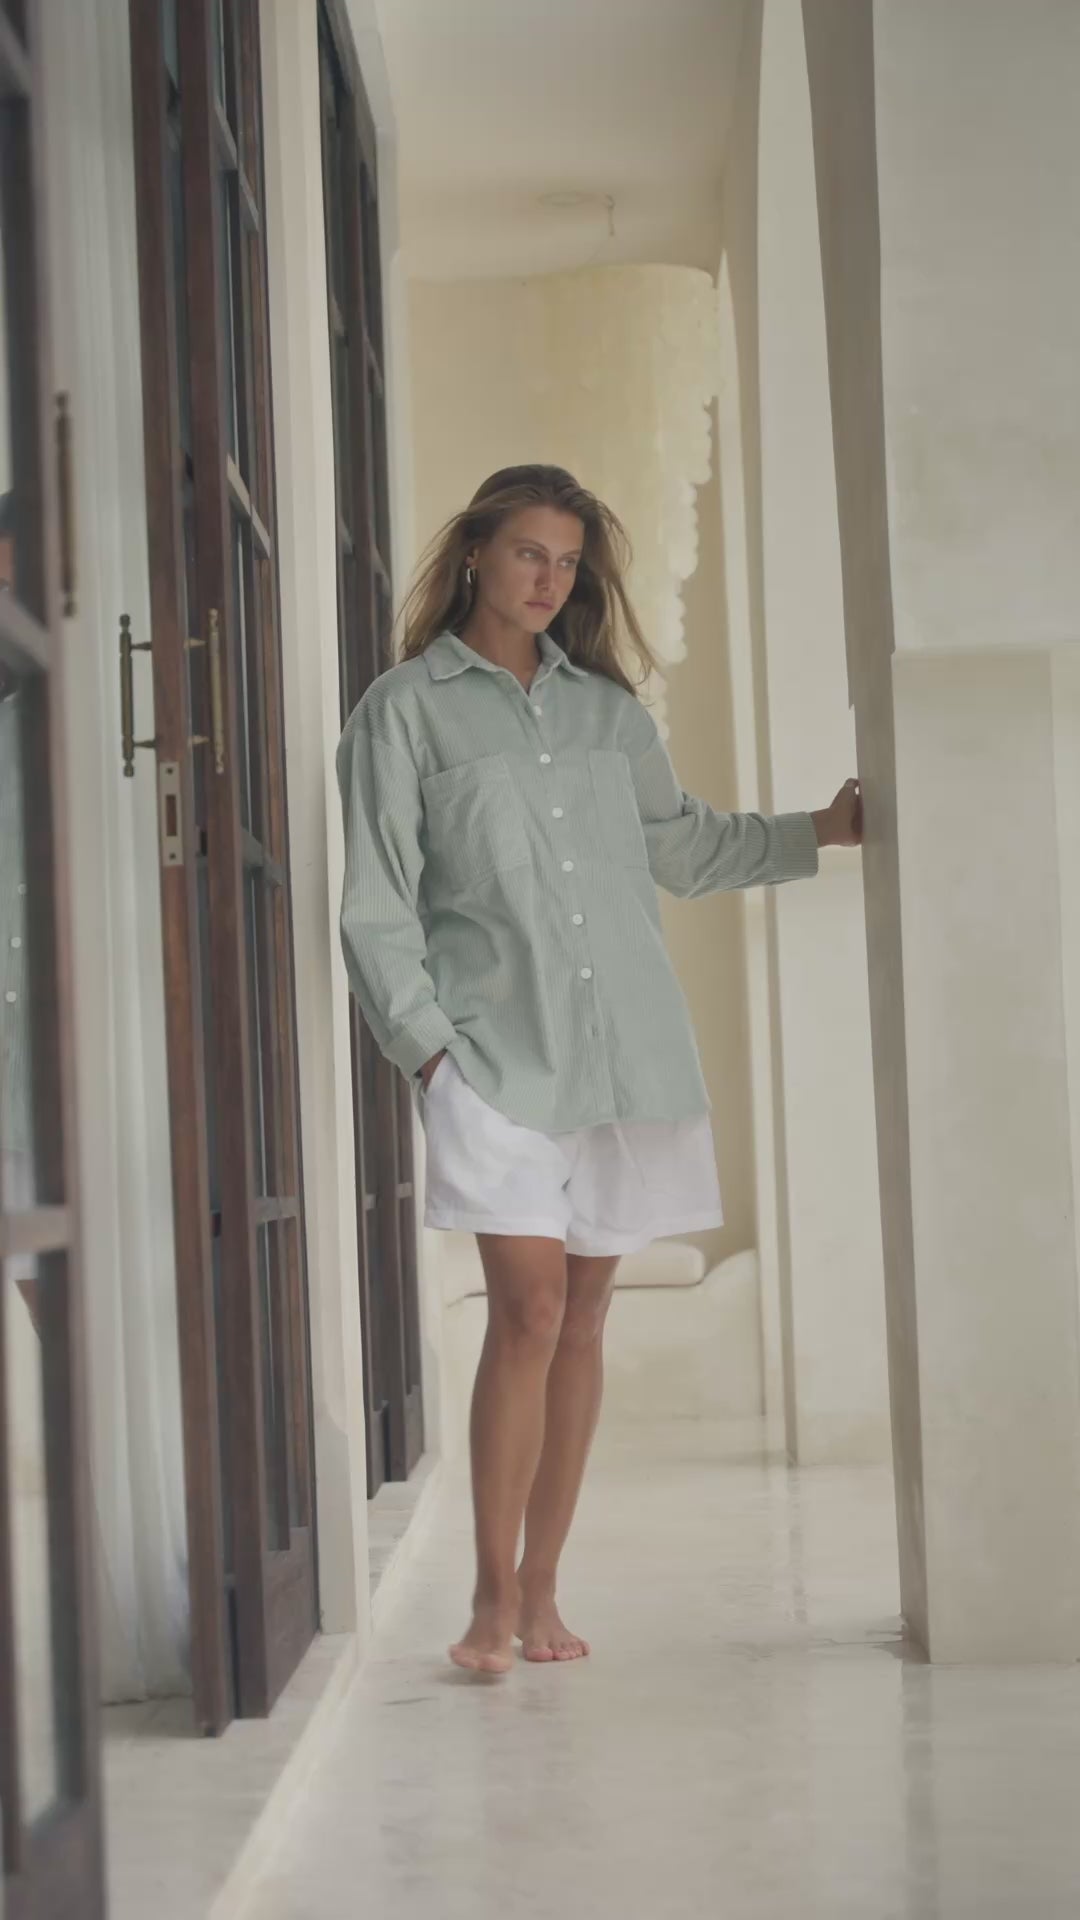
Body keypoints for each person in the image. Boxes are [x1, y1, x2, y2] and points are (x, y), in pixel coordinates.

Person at [336, 464, 862, 1675]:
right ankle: (481, 1599)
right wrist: (426, 1057)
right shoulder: (403, 712)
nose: (550, 580)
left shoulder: (609, 716)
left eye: (568, 562)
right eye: (529, 553)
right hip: (492, 1062)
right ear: (474, 552)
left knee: (581, 1322)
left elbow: (679, 848)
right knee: (523, 1312)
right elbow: (375, 905)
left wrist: (815, 836)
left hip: (623, 1054)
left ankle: (540, 1588)